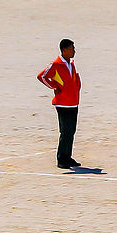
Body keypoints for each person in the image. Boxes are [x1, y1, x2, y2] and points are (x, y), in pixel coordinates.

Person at [37, 39, 82, 169]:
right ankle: (61, 159)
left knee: (71, 131)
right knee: (65, 131)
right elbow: (42, 76)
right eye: (72, 48)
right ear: (64, 50)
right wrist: (53, 87)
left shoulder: (71, 64)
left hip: (73, 102)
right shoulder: (56, 64)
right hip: (63, 103)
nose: (74, 51)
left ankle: (68, 157)